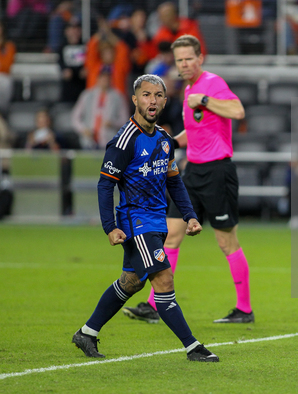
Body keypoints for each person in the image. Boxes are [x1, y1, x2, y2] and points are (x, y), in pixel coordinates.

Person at [71, 74, 218, 362]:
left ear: (164, 101)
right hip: (134, 221)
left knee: (132, 282)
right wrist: (110, 228)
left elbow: (174, 181)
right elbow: (105, 184)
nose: (152, 100)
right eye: (146, 95)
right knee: (163, 279)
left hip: (156, 221)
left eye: (158, 95)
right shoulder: (125, 140)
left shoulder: (164, 139)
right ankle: (192, 347)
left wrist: (189, 215)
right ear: (135, 100)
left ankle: (86, 333)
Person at [121, 35, 251, 324]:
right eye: (179, 60)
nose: (184, 64)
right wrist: (167, 143)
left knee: (226, 242)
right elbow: (193, 133)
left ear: (200, 58)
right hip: (191, 171)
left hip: (218, 171)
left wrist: (205, 100)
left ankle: (244, 310)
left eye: (189, 58)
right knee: (170, 235)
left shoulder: (211, 84)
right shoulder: (189, 89)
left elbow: (238, 111)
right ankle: (155, 305)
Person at [71, 67, 129, 149]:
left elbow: (125, 120)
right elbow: (75, 118)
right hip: (88, 140)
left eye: (107, 78)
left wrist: (112, 123)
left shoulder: (118, 97)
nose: (105, 81)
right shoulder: (87, 95)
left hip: (109, 140)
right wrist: (84, 130)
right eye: (103, 78)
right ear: (98, 79)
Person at [58, 18, 86, 103]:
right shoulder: (62, 47)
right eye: (72, 29)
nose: (75, 32)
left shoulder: (85, 46)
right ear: (66, 31)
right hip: (68, 89)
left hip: (83, 87)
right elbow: (61, 64)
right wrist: (65, 71)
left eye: (77, 29)